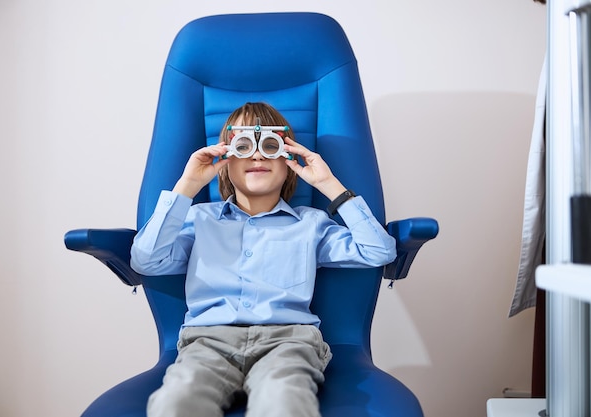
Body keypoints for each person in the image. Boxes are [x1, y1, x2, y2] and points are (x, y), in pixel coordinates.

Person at [130, 102, 397, 417]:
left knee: (282, 401)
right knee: (175, 402)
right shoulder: (198, 219)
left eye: (271, 146)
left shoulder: (310, 224)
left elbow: (380, 251)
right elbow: (145, 260)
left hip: (288, 342)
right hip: (207, 343)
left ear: (287, 162)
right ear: (225, 161)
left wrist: (328, 185)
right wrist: (188, 186)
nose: (257, 154)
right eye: (242, 146)